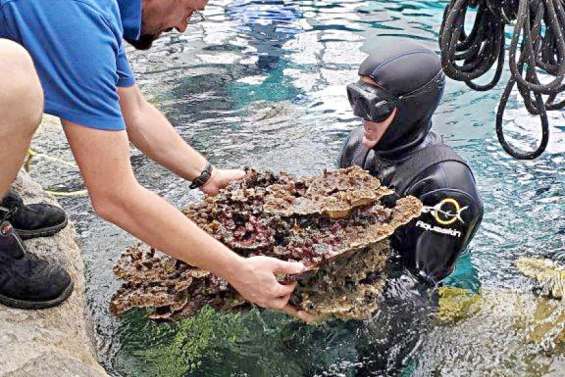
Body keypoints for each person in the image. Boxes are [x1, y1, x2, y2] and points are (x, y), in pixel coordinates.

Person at [0, 0, 308, 319]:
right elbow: (114, 197)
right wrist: (237, 269)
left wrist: (208, 175)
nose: (183, 26)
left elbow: (135, 112)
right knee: (13, 77)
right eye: (189, 11)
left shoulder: (100, 10)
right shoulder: (78, 20)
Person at [339, 37, 484, 287]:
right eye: (356, 98)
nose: (361, 116)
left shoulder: (446, 187)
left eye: (373, 106)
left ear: (411, 108)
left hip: (434, 284)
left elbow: (419, 288)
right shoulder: (356, 146)